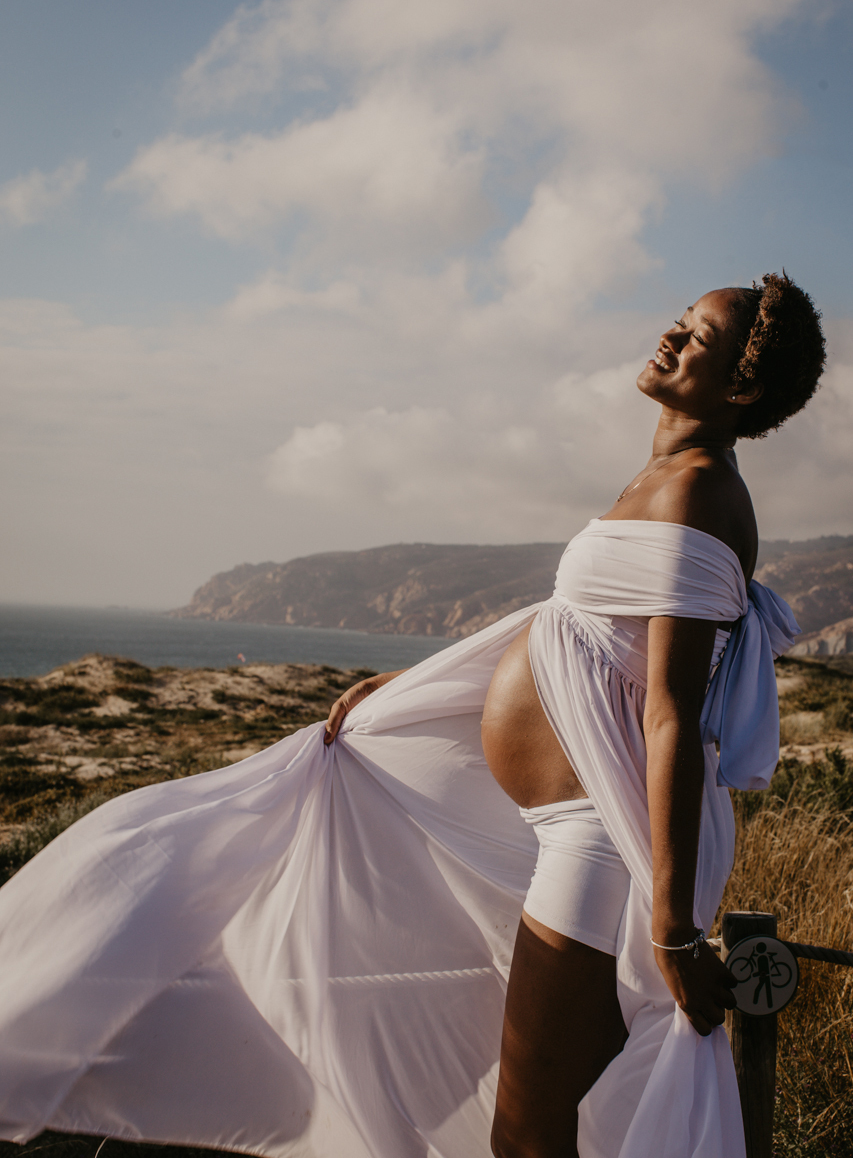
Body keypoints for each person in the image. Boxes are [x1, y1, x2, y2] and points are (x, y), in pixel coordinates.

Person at [0, 273, 825, 1158]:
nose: (669, 336)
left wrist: (673, 929)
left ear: (740, 388)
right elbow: (582, 637)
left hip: (601, 844)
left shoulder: (696, 490)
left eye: (696, 336)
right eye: (678, 320)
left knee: (528, 1137)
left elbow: (668, 712)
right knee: (532, 1125)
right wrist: (410, 689)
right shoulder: (665, 477)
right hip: (564, 827)